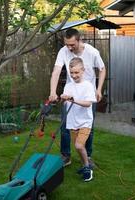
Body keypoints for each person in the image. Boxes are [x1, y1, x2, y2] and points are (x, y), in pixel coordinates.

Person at [49, 28, 106, 166]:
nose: (69, 47)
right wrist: (52, 92)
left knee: (88, 127)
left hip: (87, 95)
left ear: (79, 40)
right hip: (70, 94)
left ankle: (88, 156)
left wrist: (98, 89)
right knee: (65, 126)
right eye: (66, 44)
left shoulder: (92, 52)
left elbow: (102, 69)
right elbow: (56, 71)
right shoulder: (63, 51)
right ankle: (65, 156)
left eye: (72, 45)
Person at [60, 57, 96, 181]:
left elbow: (88, 103)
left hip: (85, 121)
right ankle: (84, 165)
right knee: (77, 147)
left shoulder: (88, 86)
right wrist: (63, 99)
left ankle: (87, 168)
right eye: (71, 73)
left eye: (76, 72)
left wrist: (73, 99)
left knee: (79, 145)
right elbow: (65, 104)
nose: (74, 75)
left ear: (83, 71)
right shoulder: (68, 86)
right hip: (73, 121)